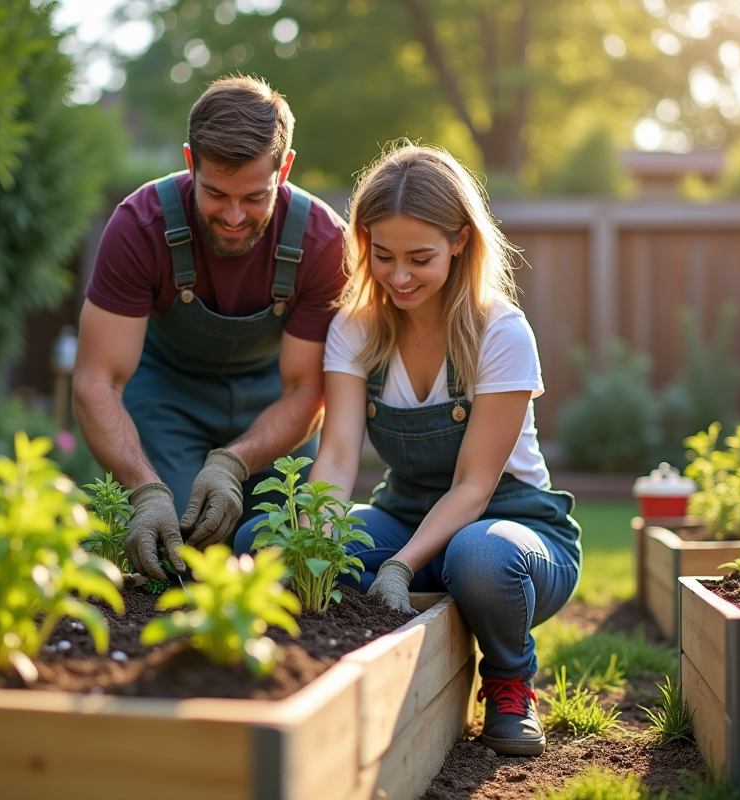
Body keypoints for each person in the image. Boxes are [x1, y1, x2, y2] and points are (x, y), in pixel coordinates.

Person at [234, 142, 582, 756]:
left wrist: (398, 566)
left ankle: (509, 681)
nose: (398, 277)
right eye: (384, 256)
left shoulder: (499, 332)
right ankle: (334, 656)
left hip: (514, 532)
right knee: (261, 537)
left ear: (460, 242)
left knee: (477, 557)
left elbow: (474, 487)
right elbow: (338, 456)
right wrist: (310, 540)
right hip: (405, 516)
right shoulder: (355, 327)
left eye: (419, 258)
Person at [73, 76, 347, 583]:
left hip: (276, 403)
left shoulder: (323, 241)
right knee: (176, 560)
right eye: (216, 194)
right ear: (189, 161)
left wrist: (233, 463)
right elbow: (96, 381)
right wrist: (144, 489)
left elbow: (309, 389)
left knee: (286, 569)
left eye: (255, 197)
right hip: (167, 397)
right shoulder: (139, 227)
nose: (235, 216)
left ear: (284, 168)